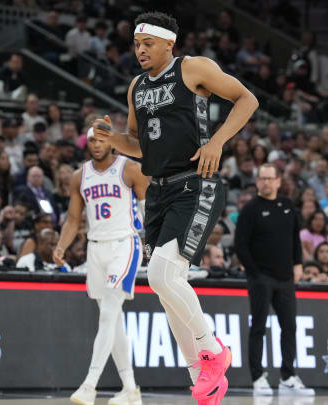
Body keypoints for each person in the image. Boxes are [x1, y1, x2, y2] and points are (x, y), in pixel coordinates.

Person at [92, 11, 258, 404]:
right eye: (136, 44)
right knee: (165, 288)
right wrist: (112, 139)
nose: (140, 50)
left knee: (165, 275)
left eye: (147, 43)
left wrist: (217, 141)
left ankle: (213, 352)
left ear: (168, 43)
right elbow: (138, 146)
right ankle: (201, 376)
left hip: (195, 182)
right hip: (159, 192)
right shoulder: (136, 86)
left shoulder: (194, 68)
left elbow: (247, 99)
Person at [53, 127, 147, 405]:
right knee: (112, 319)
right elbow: (73, 220)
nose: (96, 144)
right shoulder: (79, 176)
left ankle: (89, 385)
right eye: (92, 140)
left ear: (111, 141)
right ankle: (131, 389)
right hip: (95, 248)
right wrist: (61, 246)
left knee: (108, 311)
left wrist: (155, 244)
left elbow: (148, 210)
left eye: (101, 139)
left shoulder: (130, 169)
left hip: (125, 244)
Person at [235, 163, 314, 396]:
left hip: (286, 278)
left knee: (289, 327)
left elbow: (295, 239)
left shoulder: (287, 205)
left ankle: (288, 376)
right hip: (261, 278)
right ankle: (258, 377)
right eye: (262, 178)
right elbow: (241, 245)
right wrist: (254, 273)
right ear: (257, 181)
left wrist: (298, 263)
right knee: (258, 326)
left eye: (270, 178)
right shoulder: (250, 209)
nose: (266, 182)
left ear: (279, 181)